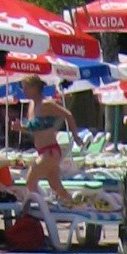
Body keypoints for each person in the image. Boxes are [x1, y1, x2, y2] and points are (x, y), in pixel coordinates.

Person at [19, 76, 78, 208]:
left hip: (50, 151)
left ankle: (37, 209)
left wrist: (76, 136)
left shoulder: (46, 104)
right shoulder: (32, 105)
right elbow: (35, 130)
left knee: (30, 180)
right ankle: (75, 206)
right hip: (43, 151)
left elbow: (67, 114)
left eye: (26, 88)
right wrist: (20, 128)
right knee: (56, 186)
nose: (24, 91)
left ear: (35, 88)